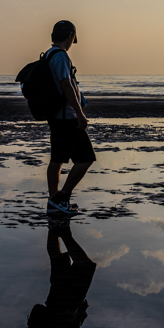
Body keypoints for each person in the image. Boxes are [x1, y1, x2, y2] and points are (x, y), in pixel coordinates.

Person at [16, 222, 96, 328]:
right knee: (57, 259)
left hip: (67, 306)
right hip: (53, 305)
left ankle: (63, 231)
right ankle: (54, 216)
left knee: (86, 267)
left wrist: (79, 315)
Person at [44, 20, 95, 216]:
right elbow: (66, 86)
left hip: (55, 116)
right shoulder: (61, 56)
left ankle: (53, 201)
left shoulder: (48, 55)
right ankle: (61, 197)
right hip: (67, 117)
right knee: (86, 159)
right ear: (71, 36)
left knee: (57, 159)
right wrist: (80, 114)